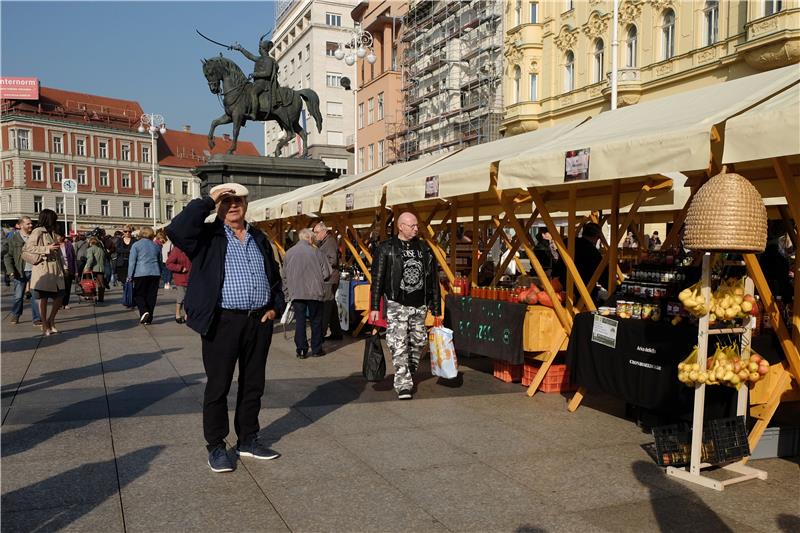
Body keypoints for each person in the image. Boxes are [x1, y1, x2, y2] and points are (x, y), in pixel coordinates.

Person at [167, 182, 284, 473]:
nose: (233, 206)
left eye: (238, 201)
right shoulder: (208, 236)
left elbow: (273, 275)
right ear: (218, 206)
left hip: (258, 320)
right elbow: (176, 230)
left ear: (246, 204)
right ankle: (216, 446)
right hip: (223, 321)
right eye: (227, 202)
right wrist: (208, 199)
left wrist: (275, 307)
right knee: (218, 386)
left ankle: (248, 439)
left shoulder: (258, 236)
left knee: (253, 383)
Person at [369, 212, 441, 400]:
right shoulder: (386, 248)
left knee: (418, 342)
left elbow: (433, 279)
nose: (416, 228)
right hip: (396, 303)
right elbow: (377, 279)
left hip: (420, 305)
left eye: (417, 225)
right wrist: (375, 306)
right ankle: (403, 384)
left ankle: (406, 370)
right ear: (401, 227)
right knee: (398, 344)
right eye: (412, 226)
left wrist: (436, 307)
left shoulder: (425, 249)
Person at [284, 228, 331, 359]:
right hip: (315, 292)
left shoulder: (289, 253)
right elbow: (327, 273)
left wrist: (287, 292)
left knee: (300, 321)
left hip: (296, 292)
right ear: (309, 238)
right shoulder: (317, 252)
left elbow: (284, 275)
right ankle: (316, 349)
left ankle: (301, 350)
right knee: (316, 321)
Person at [23, 209, 65, 335]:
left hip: (56, 268)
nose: (56, 221)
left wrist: (64, 267)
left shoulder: (52, 232)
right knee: (44, 297)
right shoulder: (38, 231)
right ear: (48, 219)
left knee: (60, 295)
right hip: (43, 268)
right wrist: (47, 248)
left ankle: (51, 320)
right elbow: (28, 247)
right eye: (54, 219)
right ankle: (45, 324)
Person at [551, 222, 608, 302]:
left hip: (562, 288)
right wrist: (614, 288)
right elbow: (603, 276)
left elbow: (558, 266)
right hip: (583, 294)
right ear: (597, 237)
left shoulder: (568, 243)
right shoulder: (592, 252)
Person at [3, 216, 42, 326]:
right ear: (20, 225)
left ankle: (37, 318)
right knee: (18, 296)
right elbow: (7, 256)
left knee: (35, 296)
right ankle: (16, 314)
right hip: (19, 271)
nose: (31, 225)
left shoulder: (35, 237)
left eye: (31, 223)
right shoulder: (13, 238)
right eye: (28, 224)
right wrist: (10, 270)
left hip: (35, 270)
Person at [232, 37, 280, 121]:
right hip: (257, 83)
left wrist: (255, 74)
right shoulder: (259, 59)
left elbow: (267, 73)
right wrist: (240, 48)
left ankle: (254, 113)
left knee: (253, 92)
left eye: (260, 48)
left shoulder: (269, 60)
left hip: (263, 84)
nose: (258, 50)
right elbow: (250, 56)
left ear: (264, 49)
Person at [313, 221, 344, 341]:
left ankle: (320, 334)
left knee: (326, 306)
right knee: (331, 306)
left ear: (323, 232)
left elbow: (333, 261)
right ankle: (337, 332)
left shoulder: (330, 243)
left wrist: (319, 266)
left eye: (316, 232)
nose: (315, 235)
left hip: (330, 279)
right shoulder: (325, 242)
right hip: (330, 278)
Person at [127, 227, 163, 325]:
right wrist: (161, 273)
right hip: (155, 273)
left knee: (138, 294)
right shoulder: (156, 246)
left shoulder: (136, 245)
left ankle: (144, 311)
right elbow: (160, 261)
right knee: (151, 296)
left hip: (140, 273)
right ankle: (149, 318)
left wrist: (130, 275)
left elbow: (132, 262)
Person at [165, 244, 192, 324]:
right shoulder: (177, 249)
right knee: (181, 295)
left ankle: (187, 315)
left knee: (189, 298)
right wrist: (180, 268)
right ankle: (177, 314)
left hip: (192, 278)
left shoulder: (192, 248)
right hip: (181, 278)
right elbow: (169, 264)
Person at [56, 232, 78, 309]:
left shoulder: (69, 245)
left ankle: (65, 303)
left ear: (62, 237)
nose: (57, 237)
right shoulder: (54, 245)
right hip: (57, 269)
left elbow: (74, 258)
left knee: (67, 287)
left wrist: (76, 270)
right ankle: (59, 303)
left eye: (58, 236)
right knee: (58, 288)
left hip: (67, 269)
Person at [83, 237, 107, 303]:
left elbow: (90, 259)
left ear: (91, 242)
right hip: (101, 268)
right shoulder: (101, 250)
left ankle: (92, 296)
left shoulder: (90, 249)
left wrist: (87, 268)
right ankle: (101, 298)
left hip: (93, 268)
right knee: (101, 284)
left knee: (91, 283)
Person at [114, 225, 136, 289]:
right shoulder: (119, 240)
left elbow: (136, 250)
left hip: (132, 263)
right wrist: (129, 250)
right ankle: (126, 294)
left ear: (131, 232)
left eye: (129, 231)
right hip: (121, 263)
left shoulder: (134, 240)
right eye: (125, 231)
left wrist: (124, 251)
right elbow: (117, 250)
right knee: (124, 281)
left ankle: (130, 295)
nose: (127, 233)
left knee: (131, 280)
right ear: (123, 232)